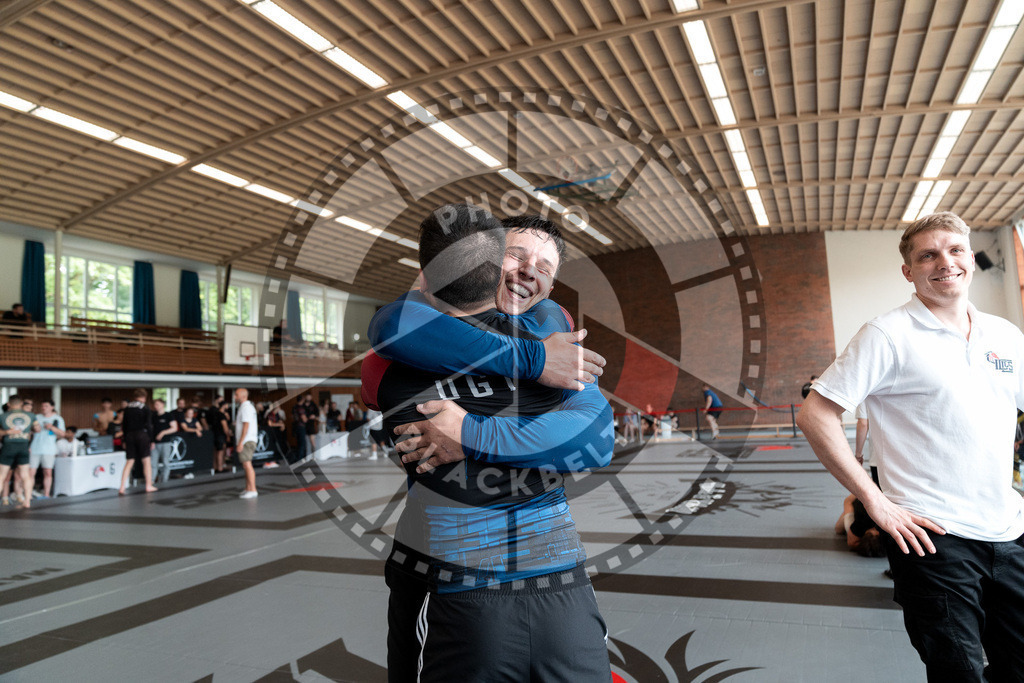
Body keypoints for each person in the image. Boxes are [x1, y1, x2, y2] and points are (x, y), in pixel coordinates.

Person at [363, 206, 612, 681]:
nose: (527, 272)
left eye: (544, 268)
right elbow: (391, 325)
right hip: (458, 585)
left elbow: (596, 438)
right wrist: (532, 358)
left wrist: (471, 434)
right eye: (515, 255)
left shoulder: (554, 334)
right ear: (481, 264)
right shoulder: (404, 345)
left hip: (559, 584)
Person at [797, 212, 1024, 681]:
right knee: (958, 672)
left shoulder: (1004, 335)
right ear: (909, 271)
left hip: (1009, 531)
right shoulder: (886, 335)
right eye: (928, 255)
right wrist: (875, 502)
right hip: (932, 537)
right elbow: (816, 414)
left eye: (955, 250)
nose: (945, 262)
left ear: (970, 259)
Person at [0, 396, 38, 509]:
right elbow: (38, 429)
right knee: (25, 475)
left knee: (1, 475)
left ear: (8, 404)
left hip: (9, 446)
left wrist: (7, 431)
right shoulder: (31, 415)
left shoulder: (3, 416)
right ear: (21, 403)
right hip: (23, 446)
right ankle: (27, 501)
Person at [117, 388, 157, 495]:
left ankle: (121, 487)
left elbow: (124, 426)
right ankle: (148, 485)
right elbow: (149, 425)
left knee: (130, 461)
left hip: (129, 435)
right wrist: (152, 440)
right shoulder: (145, 408)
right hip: (141, 434)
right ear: (144, 397)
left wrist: (124, 439)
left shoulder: (127, 408)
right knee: (146, 460)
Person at [29, 399, 65, 499]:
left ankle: (46, 494)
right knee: (31, 472)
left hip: (49, 449)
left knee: (48, 472)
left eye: (46, 406)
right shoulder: (36, 417)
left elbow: (63, 434)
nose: (44, 408)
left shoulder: (58, 419)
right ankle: (29, 493)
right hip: (35, 448)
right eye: (42, 406)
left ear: (52, 407)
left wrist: (52, 428)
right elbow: (29, 433)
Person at [234, 388, 258, 499]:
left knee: (247, 464)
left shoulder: (246, 408)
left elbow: (246, 426)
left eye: (236, 394)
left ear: (243, 396)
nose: (235, 397)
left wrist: (240, 442)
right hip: (248, 439)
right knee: (245, 464)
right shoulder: (245, 407)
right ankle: (248, 488)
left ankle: (253, 490)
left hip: (247, 440)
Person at [151, 399, 178, 484]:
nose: (156, 406)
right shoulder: (153, 416)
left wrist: (163, 433)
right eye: (155, 404)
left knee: (165, 462)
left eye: (157, 404)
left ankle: (164, 481)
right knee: (153, 463)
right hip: (155, 443)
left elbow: (174, 428)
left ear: (162, 404)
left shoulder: (168, 415)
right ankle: (151, 480)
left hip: (165, 442)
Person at [207, 396, 229, 472]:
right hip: (220, 435)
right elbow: (225, 427)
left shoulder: (216, 413)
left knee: (216, 451)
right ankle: (220, 468)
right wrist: (228, 435)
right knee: (220, 451)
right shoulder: (221, 415)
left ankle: (215, 467)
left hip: (215, 434)